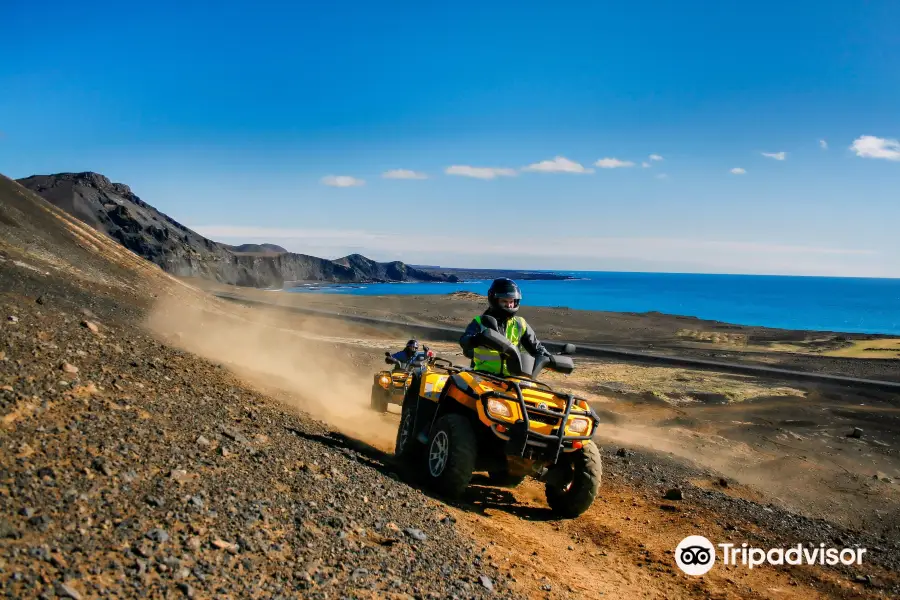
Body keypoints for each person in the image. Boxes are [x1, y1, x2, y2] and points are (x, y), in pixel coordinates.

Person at [459, 278, 550, 375]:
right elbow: (464, 341)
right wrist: (476, 339)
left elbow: (537, 348)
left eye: (511, 301)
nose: (509, 305)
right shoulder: (481, 322)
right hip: (484, 376)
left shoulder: (520, 324)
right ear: (494, 300)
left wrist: (549, 358)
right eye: (504, 301)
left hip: (512, 380)